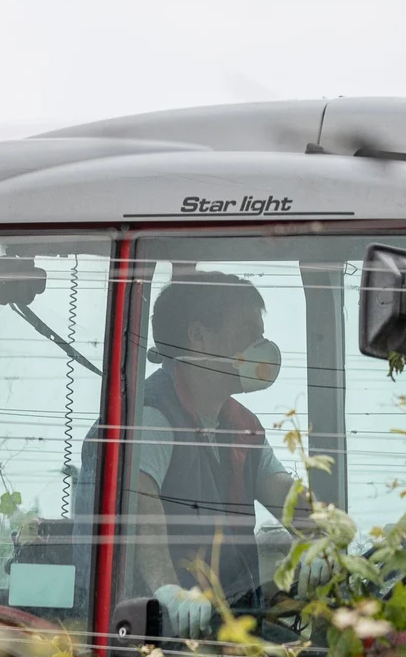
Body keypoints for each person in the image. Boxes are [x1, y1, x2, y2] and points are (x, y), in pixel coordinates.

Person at [127, 270, 303, 636]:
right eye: (248, 335)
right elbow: (141, 504)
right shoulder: (153, 416)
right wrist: (168, 591)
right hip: (167, 632)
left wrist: (325, 538)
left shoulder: (240, 425)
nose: (262, 348)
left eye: (261, 335)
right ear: (199, 336)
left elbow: (282, 491)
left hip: (230, 621)